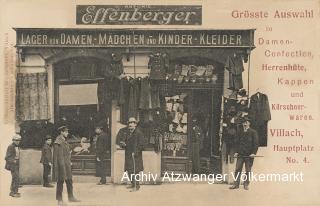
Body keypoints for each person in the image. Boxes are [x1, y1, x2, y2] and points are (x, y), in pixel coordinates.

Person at [229, 117, 259, 190]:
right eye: (243, 122)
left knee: (248, 170)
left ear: (249, 123)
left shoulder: (253, 132)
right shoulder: (239, 132)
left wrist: (253, 153)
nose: (245, 124)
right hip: (240, 154)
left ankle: (246, 184)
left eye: (246, 122)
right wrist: (236, 152)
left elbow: (256, 144)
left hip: (249, 156)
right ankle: (236, 184)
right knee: (237, 169)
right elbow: (236, 142)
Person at [53, 126, 80, 206]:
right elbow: (57, 157)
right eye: (66, 132)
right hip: (62, 166)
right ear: (61, 132)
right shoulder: (58, 142)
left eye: (67, 132)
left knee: (69, 181)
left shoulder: (64, 141)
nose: (67, 133)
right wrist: (60, 168)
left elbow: (67, 153)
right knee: (60, 182)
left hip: (67, 165)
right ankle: (59, 200)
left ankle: (71, 197)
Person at [116, 117, 144, 192]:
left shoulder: (139, 133)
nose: (131, 124)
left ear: (135, 124)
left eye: (133, 123)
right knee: (129, 170)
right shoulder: (128, 133)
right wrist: (123, 144)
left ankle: (136, 186)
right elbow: (126, 143)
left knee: (135, 170)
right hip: (128, 154)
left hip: (135, 155)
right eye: (130, 123)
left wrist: (136, 152)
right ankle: (132, 184)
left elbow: (142, 145)